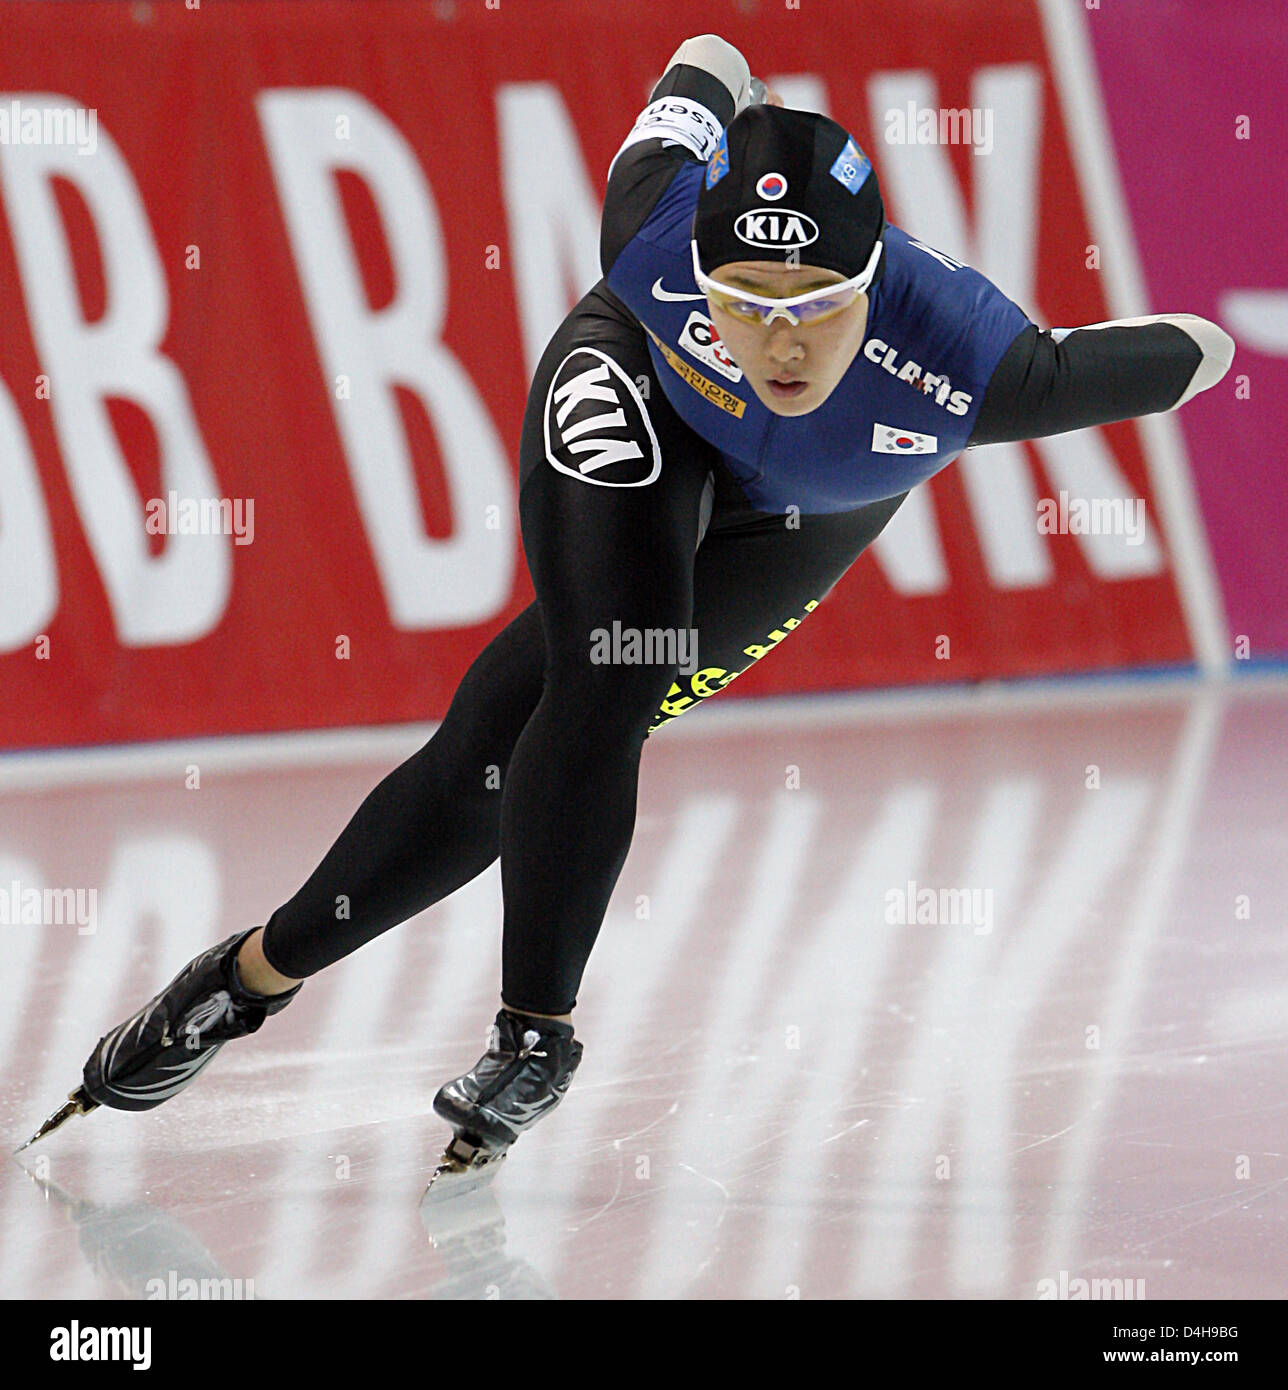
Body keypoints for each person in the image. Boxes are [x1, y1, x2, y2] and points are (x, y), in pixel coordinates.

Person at [57, 35, 1233, 1177]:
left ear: (873, 291)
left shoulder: (980, 365)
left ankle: (264, 976)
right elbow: (708, 52)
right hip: (640, 393)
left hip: (803, 516)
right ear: (700, 269)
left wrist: (1181, 343)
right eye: (745, 298)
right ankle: (468, 1024)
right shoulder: (649, 230)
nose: (778, 338)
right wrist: (730, 95)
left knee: (530, 735)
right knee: (594, 682)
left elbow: (1195, 348)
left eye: (815, 304)